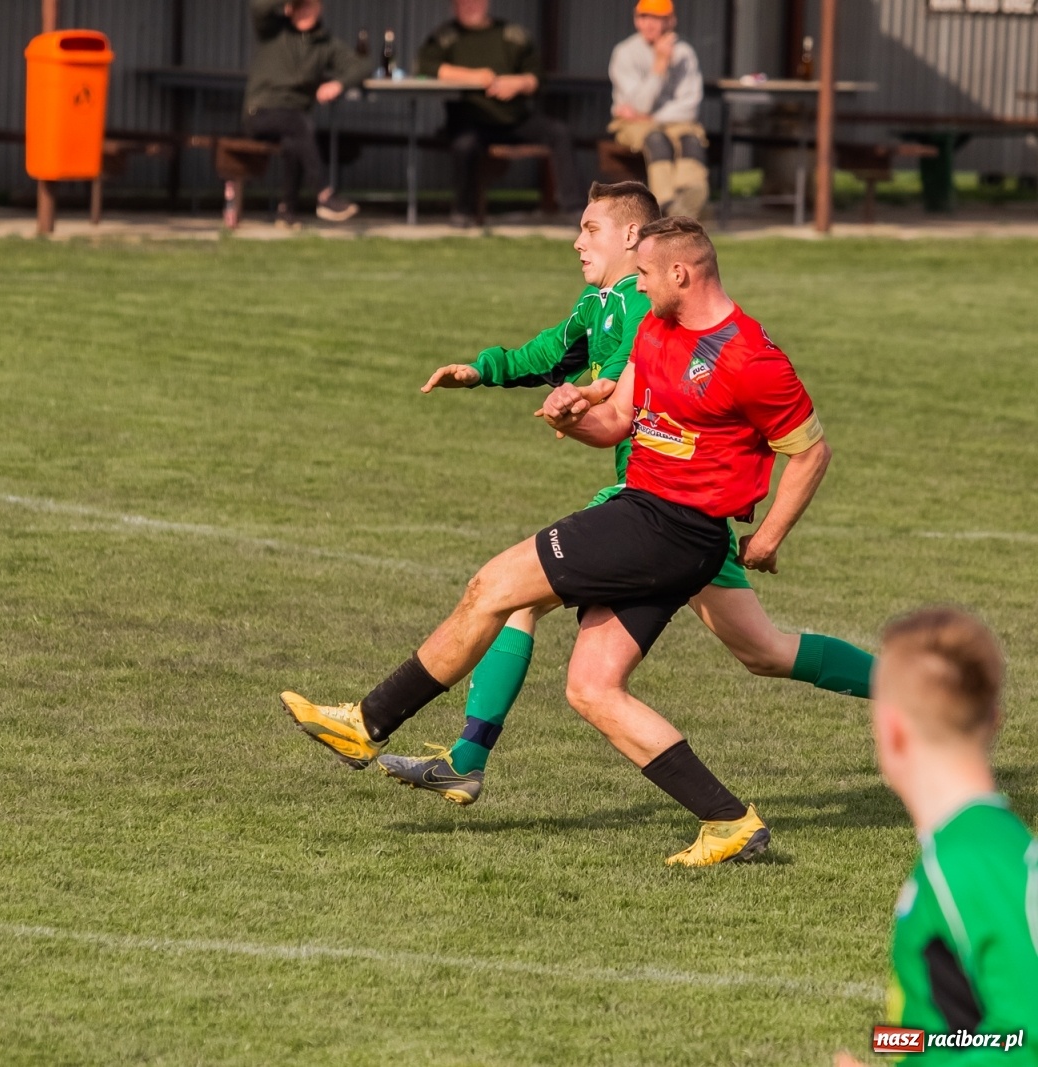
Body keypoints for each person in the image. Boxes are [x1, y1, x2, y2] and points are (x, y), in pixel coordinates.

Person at [283, 216, 832, 867]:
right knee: (593, 688)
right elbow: (619, 421)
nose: (640, 285)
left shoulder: (750, 355)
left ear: (681, 273)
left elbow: (810, 452)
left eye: (648, 274)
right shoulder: (657, 328)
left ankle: (366, 724)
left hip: (669, 525)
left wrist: (767, 537)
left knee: (493, 586)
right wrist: (571, 417)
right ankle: (729, 821)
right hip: (650, 517)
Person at [377, 180, 873, 807]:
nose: (578, 241)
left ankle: (461, 756)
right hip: (660, 505)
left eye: (590, 229)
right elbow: (583, 381)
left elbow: (805, 448)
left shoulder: (707, 337)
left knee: (513, 597)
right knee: (762, 652)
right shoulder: (621, 309)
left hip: (660, 510)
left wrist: (768, 534)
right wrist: (526, 390)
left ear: (651, 252)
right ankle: (903, 694)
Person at [833, 608, 1038, 1066]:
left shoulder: (970, 862)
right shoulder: (964, 848)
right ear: (994, 720)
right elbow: (967, 1033)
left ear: (893, 732)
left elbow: (1025, 1043)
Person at [417, 0, 581, 227]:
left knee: (559, 132)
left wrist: (519, 83)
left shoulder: (512, 34)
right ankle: (463, 212)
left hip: (514, 119)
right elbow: (425, 67)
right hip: (471, 120)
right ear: (453, 6)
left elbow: (538, 76)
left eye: (475, 2)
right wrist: (474, 77)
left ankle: (574, 209)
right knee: (464, 145)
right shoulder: (444, 36)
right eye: (463, 3)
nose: (469, 6)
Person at [244, 0, 372, 226]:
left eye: (309, 5)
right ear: (289, 8)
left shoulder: (326, 43)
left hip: (294, 119)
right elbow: (258, 6)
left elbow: (362, 66)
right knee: (300, 125)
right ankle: (323, 195)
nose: (304, 12)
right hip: (260, 112)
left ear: (319, 8)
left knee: (294, 141)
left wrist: (338, 84)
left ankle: (287, 212)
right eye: (299, 6)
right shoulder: (273, 30)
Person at [608, 0, 708, 218]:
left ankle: (690, 202)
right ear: (636, 19)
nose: (649, 24)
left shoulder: (684, 53)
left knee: (691, 140)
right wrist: (659, 66)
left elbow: (689, 106)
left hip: (671, 122)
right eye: (643, 17)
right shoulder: (625, 52)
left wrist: (652, 116)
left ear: (671, 21)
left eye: (657, 18)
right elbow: (638, 106)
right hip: (632, 124)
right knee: (656, 139)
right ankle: (664, 206)